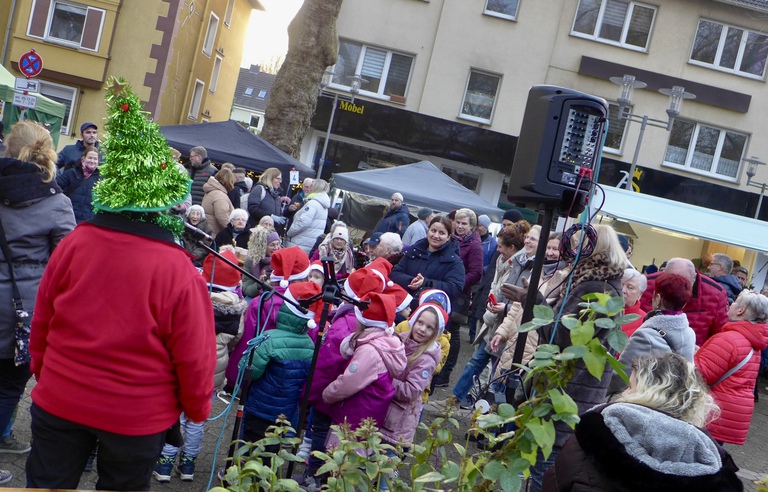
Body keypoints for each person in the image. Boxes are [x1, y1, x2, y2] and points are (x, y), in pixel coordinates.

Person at [26, 81, 215, 491]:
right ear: (165, 202)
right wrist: (197, 408)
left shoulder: (77, 242)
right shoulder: (179, 270)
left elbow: (43, 317)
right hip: (137, 416)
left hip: (62, 397)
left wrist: (45, 371)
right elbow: (194, 356)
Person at [503, 224, 627, 490]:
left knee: (544, 474)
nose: (570, 249)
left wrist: (535, 301)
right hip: (570, 396)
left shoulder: (597, 289)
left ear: (595, 248)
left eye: (580, 243)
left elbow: (562, 339)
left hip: (566, 398)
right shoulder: (599, 284)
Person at [543, 353, 742, 492]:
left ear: (649, 394)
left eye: (630, 387)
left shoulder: (593, 433)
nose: (623, 393)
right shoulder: (710, 462)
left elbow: (555, 482)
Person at [0, 122, 76, 483]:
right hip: (23, 311)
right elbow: (68, 265)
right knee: (9, 387)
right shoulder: (57, 201)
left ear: (7, 148)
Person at [153, 248, 245, 483]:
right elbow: (236, 338)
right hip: (212, 374)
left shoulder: (193, 296)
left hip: (184, 368)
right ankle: (188, 465)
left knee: (175, 416)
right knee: (197, 420)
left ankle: (164, 464)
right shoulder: (236, 309)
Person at [435, 224, 530, 407]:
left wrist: (505, 307)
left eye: (501, 246)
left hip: (508, 328)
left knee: (496, 373)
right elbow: (495, 286)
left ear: (512, 248)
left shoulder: (522, 266)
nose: (498, 249)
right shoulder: (504, 261)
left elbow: (520, 301)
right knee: (476, 362)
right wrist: (490, 302)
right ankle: (456, 399)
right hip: (494, 322)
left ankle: (482, 408)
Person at [243, 282, 321, 462]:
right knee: (271, 450)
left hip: (259, 407)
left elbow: (251, 371)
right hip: (285, 412)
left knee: (250, 446)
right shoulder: (310, 345)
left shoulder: (269, 339)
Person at [379, 302, 447, 490]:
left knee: (387, 466)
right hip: (386, 415)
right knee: (375, 464)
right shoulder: (401, 340)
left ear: (436, 332)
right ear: (413, 321)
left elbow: (410, 391)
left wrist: (384, 379)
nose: (422, 329)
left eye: (429, 327)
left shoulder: (426, 359)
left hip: (398, 423)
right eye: (420, 323)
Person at [489, 231, 570, 386]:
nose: (550, 253)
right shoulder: (537, 270)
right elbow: (517, 307)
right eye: (548, 248)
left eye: (555, 249)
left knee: (517, 392)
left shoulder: (565, 279)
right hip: (516, 338)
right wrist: (502, 331)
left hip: (535, 345)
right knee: (498, 388)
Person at [322, 292, 407, 437]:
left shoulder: (370, 351)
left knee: (340, 455)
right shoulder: (387, 343)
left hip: (353, 419)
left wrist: (328, 394)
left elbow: (349, 382)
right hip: (368, 418)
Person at [695, 290, 768, 445]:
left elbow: (700, 374)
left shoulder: (728, 339)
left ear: (741, 311)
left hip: (713, 412)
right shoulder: (753, 342)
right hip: (730, 412)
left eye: (736, 301)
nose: (732, 303)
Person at [614, 273, 696, 393]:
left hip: (643, 401)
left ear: (657, 298)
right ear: (684, 303)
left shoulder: (646, 335)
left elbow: (620, 378)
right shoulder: (690, 333)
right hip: (670, 402)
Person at [432, 209, 483, 387]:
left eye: (464, 224)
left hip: (458, 293)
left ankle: (445, 374)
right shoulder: (451, 239)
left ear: (472, 226)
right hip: (444, 290)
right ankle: (436, 368)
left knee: (452, 332)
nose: (460, 226)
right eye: (458, 222)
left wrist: (457, 282)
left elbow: (477, 272)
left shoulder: (474, 245)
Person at [641, 257, 728, 346]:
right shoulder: (645, 285)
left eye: (684, 284)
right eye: (670, 283)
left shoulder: (716, 294)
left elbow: (720, 335)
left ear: (693, 279)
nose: (677, 289)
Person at [390, 215, 465, 309]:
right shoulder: (414, 250)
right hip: (402, 307)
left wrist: (425, 283)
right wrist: (412, 280)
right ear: (428, 231)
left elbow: (454, 288)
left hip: (429, 313)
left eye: (441, 233)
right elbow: (395, 273)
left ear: (448, 237)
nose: (436, 235)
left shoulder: (455, 262)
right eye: (433, 231)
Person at [284, 179, 331, 254]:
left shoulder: (312, 203)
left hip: (300, 243)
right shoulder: (323, 204)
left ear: (316, 188)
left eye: (312, 186)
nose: (309, 189)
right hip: (309, 242)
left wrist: (289, 233)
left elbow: (303, 223)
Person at [56, 146, 100, 223]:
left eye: (95, 159)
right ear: (83, 158)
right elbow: (56, 188)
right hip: (68, 218)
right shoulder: (71, 173)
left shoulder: (101, 179)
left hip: (88, 222)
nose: (92, 161)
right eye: (90, 158)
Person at [241, 227, 281, 298]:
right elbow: (246, 288)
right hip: (258, 296)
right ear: (262, 247)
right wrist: (260, 283)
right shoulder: (251, 260)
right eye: (272, 245)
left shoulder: (282, 258)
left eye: (278, 244)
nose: (276, 247)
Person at [202, 168, 235, 236]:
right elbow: (222, 216)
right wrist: (232, 230)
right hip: (215, 233)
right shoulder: (220, 195)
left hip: (208, 229)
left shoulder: (211, 190)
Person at [621, 268, 647, 338]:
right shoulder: (603, 311)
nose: (623, 290)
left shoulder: (645, 322)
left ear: (639, 295)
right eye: (621, 285)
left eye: (630, 287)